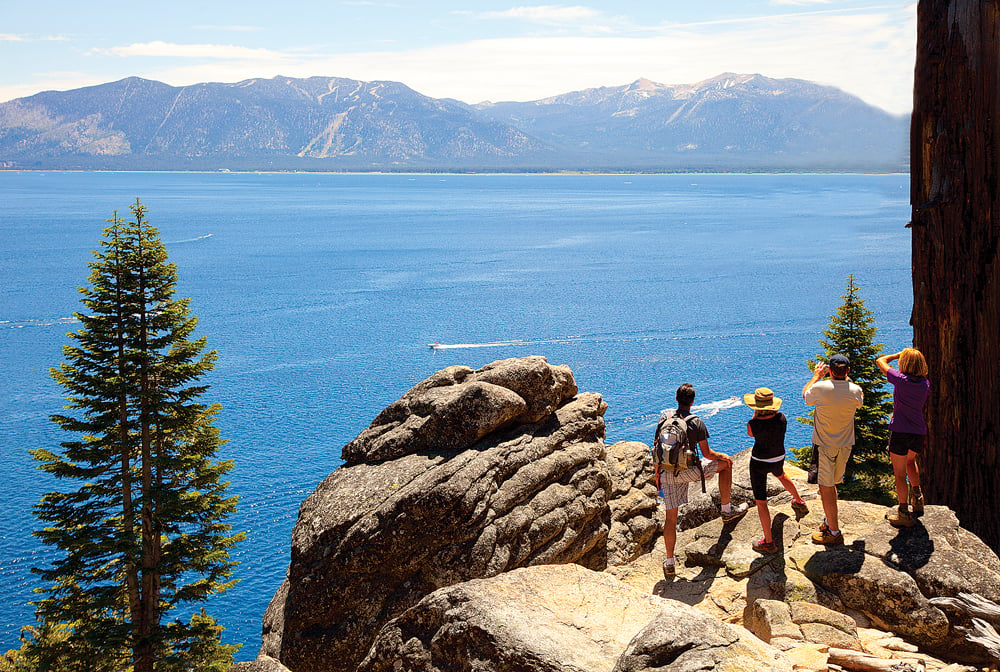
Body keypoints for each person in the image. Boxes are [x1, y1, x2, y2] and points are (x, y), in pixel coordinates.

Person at [654, 383, 748, 578]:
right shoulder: (696, 422)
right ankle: (726, 509)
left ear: (676, 399)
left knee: (670, 518)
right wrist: (723, 456)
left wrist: (658, 476)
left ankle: (669, 561)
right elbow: (707, 453)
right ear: (693, 401)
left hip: (667, 472)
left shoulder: (665, 419)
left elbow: (657, 449)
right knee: (726, 465)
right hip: (689, 471)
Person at [802, 354, 863, 545]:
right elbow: (859, 401)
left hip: (824, 446)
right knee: (832, 485)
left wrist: (816, 376)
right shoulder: (855, 390)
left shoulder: (820, 387)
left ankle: (834, 532)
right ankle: (829, 521)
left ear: (829, 370)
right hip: (845, 445)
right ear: (848, 371)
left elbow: (806, 396)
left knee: (825, 487)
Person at [744, 387, 809, 554]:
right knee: (781, 475)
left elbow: (750, 434)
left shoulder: (754, 423)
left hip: (759, 462)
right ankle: (799, 501)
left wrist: (756, 414)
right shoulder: (782, 418)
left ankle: (768, 541)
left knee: (761, 501)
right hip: (778, 457)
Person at [876, 348, 930, 528]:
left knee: (899, 474)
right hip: (918, 432)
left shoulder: (900, 380)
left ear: (905, 363)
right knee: (910, 461)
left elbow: (880, 361)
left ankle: (903, 513)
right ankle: (918, 498)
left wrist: (897, 354)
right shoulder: (925, 383)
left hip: (900, 431)